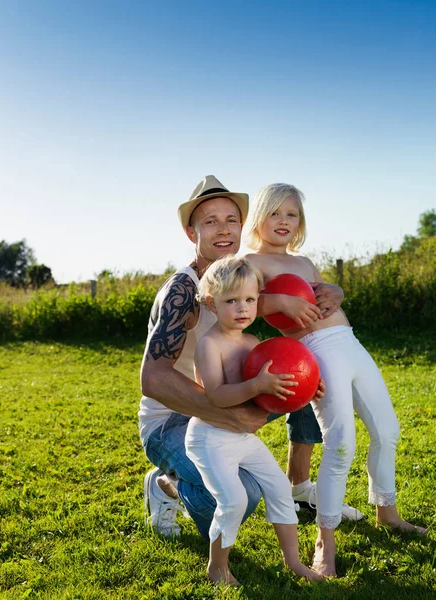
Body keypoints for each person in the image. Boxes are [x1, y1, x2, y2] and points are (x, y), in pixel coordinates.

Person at [139, 175, 346, 540]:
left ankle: (298, 485)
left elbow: (302, 285)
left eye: (231, 220)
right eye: (210, 221)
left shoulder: (242, 277)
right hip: (171, 420)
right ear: (192, 233)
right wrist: (229, 415)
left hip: (233, 396)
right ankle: (165, 486)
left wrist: (333, 290)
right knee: (245, 494)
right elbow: (153, 379)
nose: (224, 230)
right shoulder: (182, 290)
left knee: (306, 376)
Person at [244, 182, 427, 577]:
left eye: (291, 214)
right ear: (258, 217)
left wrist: (338, 291)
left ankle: (387, 512)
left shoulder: (305, 261)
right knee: (341, 442)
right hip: (318, 351)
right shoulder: (251, 263)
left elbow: (324, 294)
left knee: (388, 430)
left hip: (350, 342)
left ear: (300, 222)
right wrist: (279, 302)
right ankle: (325, 541)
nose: (283, 221)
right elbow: (241, 303)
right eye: (275, 212)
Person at [186, 255, 324, 584]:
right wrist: (257, 385)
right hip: (210, 438)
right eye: (231, 300)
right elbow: (217, 396)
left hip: (240, 437)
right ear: (211, 303)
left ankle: (293, 563)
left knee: (278, 487)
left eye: (250, 300)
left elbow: (273, 385)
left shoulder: (252, 342)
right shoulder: (210, 345)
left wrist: (303, 388)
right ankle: (217, 567)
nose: (243, 308)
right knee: (233, 501)